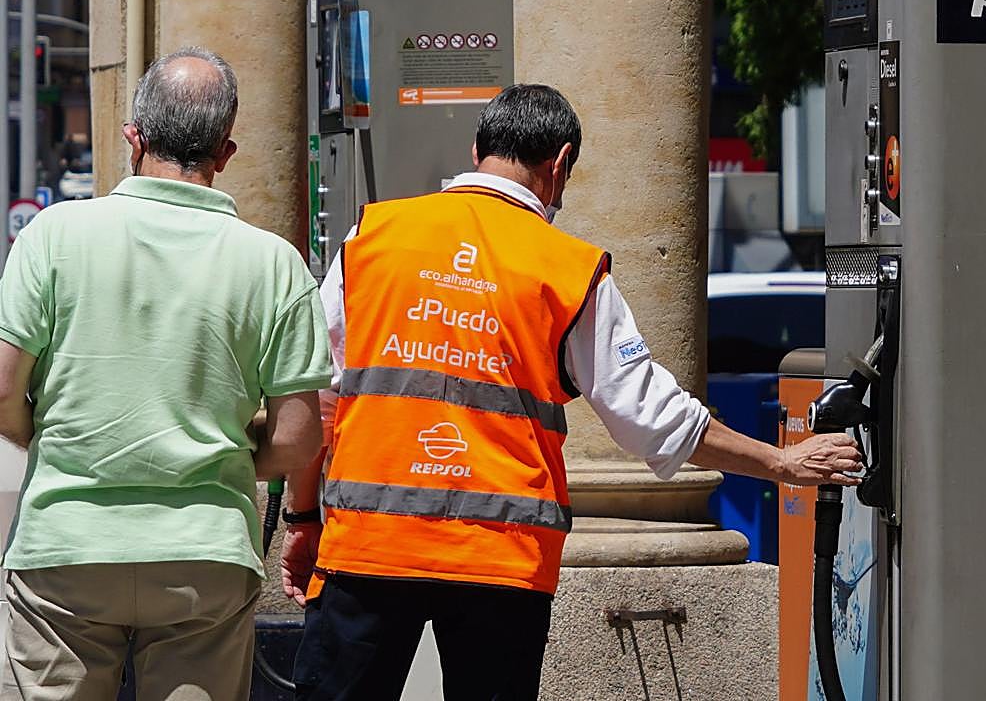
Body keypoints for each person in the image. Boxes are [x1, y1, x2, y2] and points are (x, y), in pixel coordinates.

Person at [283, 84, 862, 701]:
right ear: (560, 164)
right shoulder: (568, 269)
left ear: (476, 149)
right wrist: (781, 462)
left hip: (369, 544)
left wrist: (302, 515)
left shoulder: (372, 236)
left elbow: (320, 394)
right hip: (501, 560)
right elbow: (653, 417)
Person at [0, 47, 332, 701]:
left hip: (67, 544)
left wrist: (51, 439)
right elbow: (299, 438)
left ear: (135, 138)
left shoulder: (52, 235)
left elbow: (3, 389)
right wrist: (224, 454)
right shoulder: (275, 264)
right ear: (225, 153)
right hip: (205, 553)